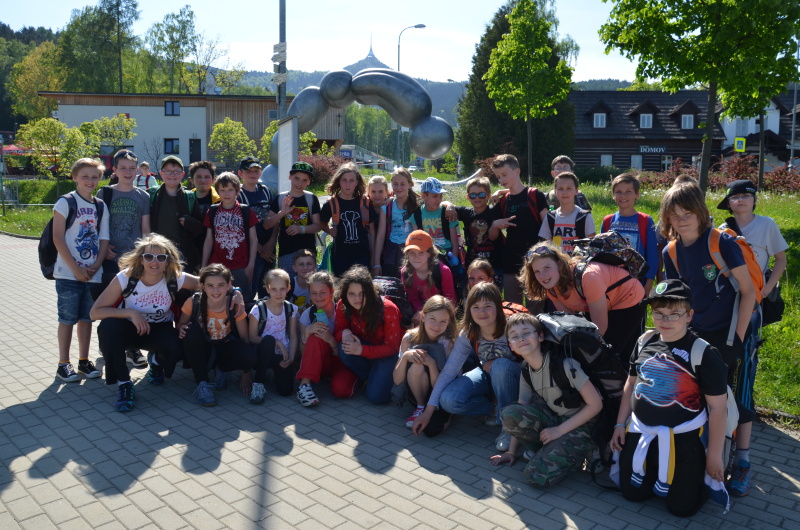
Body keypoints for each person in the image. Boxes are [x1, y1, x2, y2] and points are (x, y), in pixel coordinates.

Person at [659, 178, 757, 497]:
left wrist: (735, 340)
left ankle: (742, 462)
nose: (681, 220)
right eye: (674, 215)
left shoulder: (720, 242)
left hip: (733, 332)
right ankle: (708, 455)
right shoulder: (671, 251)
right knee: (705, 397)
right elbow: (675, 300)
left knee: (737, 397)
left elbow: (748, 292)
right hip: (697, 334)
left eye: (687, 213)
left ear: (700, 211)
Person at [611, 280, 729, 517]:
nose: (665, 321)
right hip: (642, 432)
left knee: (681, 508)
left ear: (689, 316)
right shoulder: (644, 341)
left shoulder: (703, 353)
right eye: (659, 313)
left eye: (674, 314)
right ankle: (657, 475)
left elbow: (718, 408)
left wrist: (714, 456)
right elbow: (631, 384)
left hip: (684, 440)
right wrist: (620, 424)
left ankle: (696, 480)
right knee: (632, 494)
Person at [90, 234, 222, 412]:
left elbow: (208, 283)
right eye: (149, 256)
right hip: (129, 328)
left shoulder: (174, 278)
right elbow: (95, 312)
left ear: (167, 261)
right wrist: (131, 312)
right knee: (108, 328)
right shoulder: (126, 277)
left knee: (176, 348)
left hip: (159, 328)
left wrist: (234, 291)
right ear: (141, 259)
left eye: (161, 257)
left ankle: (156, 362)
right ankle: (124, 384)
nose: (155, 262)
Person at [490, 313, 602, 487]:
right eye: (514, 336)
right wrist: (511, 452)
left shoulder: (565, 364)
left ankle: (587, 450)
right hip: (558, 418)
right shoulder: (526, 370)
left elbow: (596, 405)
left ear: (540, 336)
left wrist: (559, 431)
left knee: (535, 476)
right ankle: (550, 450)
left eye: (526, 332)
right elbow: (521, 407)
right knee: (509, 414)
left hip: (584, 425)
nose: (521, 338)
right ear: (511, 345)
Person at [412, 283, 520, 451]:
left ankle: (508, 428)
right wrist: (428, 411)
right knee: (448, 400)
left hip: (518, 379)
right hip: (487, 375)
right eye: (476, 307)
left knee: (500, 366)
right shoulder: (469, 332)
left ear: (498, 307)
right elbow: (449, 371)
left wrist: (497, 363)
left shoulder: (513, 326)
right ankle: (495, 408)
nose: (482, 312)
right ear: (469, 309)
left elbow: (532, 363)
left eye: (488, 306)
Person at [520, 242, 645, 362]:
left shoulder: (588, 277)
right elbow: (570, 323)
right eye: (537, 271)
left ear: (559, 264)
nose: (542, 275)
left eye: (547, 268)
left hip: (628, 297)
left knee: (610, 353)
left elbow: (600, 328)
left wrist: (584, 353)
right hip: (599, 302)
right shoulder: (550, 285)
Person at [52, 158, 110, 382]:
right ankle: (63, 364)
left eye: (95, 177)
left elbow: (103, 239)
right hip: (68, 273)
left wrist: (96, 265)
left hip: (92, 274)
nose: (90, 180)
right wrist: (75, 268)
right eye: (85, 176)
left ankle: (84, 361)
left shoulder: (100, 205)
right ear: (75, 177)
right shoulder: (65, 202)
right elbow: (58, 238)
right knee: (67, 318)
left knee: (87, 318)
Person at [95, 149, 152, 369]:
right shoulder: (105, 193)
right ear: (115, 169)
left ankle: (132, 348)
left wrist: (145, 254)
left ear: (137, 170)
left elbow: (145, 229)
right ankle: (108, 343)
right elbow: (96, 225)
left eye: (132, 168)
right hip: (110, 257)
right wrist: (103, 247)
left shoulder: (143, 196)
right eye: (123, 168)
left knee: (132, 302)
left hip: (133, 259)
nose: (128, 172)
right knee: (110, 302)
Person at [177, 264, 254, 407]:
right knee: (190, 330)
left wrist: (246, 373)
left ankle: (222, 369)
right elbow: (180, 324)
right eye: (210, 285)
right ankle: (202, 383)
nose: (216, 290)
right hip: (203, 350)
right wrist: (181, 328)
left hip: (225, 347)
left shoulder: (234, 304)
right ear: (203, 286)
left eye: (221, 285)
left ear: (229, 285)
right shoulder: (193, 302)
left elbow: (245, 339)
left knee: (250, 353)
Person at [334, 265, 403, 405]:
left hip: (388, 354)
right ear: (345, 293)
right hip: (365, 348)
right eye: (351, 293)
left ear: (370, 292)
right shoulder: (343, 304)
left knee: (376, 398)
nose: (357, 298)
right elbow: (338, 331)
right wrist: (345, 333)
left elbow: (393, 347)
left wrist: (362, 350)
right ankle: (370, 377)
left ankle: (378, 379)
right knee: (344, 347)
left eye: (362, 293)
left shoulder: (388, 308)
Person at [489, 154, 548, 305]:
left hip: (535, 261)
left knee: (536, 307)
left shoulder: (535, 195)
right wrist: (495, 225)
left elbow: (548, 227)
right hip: (511, 263)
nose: (501, 180)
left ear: (517, 171)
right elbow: (492, 236)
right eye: (498, 177)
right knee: (513, 309)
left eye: (504, 174)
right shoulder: (502, 201)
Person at [393, 296, 457, 427]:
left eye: (443, 321)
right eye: (432, 319)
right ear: (423, 317)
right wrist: (405, 357)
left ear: (448, 322)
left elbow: (445, 383)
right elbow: (397, 380)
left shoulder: (449, 343)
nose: (437, 326)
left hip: (440, 391)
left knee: (434, 428)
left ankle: (446, 413)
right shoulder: (409, 338)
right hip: (416, 390)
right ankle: (420, 407)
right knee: (417, 364)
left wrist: (432, 364)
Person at [295, 271, 356, 406]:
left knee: (341, 390)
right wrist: (306, 333)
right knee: (316, 335)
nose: (318, 297)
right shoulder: (307, 315)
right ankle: (304, 386)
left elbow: (349, 350)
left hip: (342, 360)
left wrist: (331, 341)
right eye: (314, 293)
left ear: (332, 292)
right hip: (321, 362)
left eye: (322, 292)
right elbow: (303, 354)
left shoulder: (343, 311)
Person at [201, 172, 258, 301]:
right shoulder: (213, 211)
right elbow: (209, 240)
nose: (227, 194)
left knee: (242, 301)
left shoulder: (245, 211)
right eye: (223, 190)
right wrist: (204, 265)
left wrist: (251, 266)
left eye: (230, 190)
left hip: (241, 266)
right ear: (218, 192)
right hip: (217, 266)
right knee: (217, 300)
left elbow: (254, 240)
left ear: (237, 191)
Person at [601, 172, 659, 293]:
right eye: (618, 192)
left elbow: (653, 255)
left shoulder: (645, 220)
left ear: (637, 194)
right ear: (613, 195)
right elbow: (601, 255)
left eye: (628, 191)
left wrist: (648, 284)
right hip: (612, 284)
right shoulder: (608, 221)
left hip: (638, 284)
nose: (623, 196)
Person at [262, 161, 322, 277]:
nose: (300, 183)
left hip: (307, 254)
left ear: (309, 182)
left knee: (308, 286)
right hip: (286, 253)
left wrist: (301, 229)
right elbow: (266, 224)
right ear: (290, 177)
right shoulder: (281, 198)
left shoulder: (311, 198)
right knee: (287, 285)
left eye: (304, 180)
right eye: (297, 178)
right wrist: (282, 213)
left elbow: (318, 226)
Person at [319, 163, 380, 277]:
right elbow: (321, 223)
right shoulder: (331, 204)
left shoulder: (365, 203)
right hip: (340, 256)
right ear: (339, 181)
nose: (348, 184)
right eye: (344, 180)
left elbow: (372, 231)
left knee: (361, 284)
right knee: (341, 285)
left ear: (357, 182)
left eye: (351, 180)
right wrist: (329, 230)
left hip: (362, 255)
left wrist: (372, 257)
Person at [247, 269, 298, 400]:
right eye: (274, 289)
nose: (278, 293)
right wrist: (278, 343)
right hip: (262, 353)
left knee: (286, 391)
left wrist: (291, 358)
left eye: (282, 289)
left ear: (288, 288)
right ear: (267, 289)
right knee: (269, 340)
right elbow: (252, 337)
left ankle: (277, 374)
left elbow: (293, 336)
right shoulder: (258, 309)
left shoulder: (291, 309)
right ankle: (258, 383)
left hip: (282, 355)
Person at [149, 155, 204, 272]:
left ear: (182, 174)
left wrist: (190, 223)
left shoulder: (189, 197)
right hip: (157, 250)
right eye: (168, 171)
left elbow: (201, 228)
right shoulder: (152, 195)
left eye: (176, 171)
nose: (172, 174)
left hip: (181, 252)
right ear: (161, 174)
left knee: (180, 282)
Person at [237, 156, 275, 298]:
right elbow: (239, 228)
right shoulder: (238, 194)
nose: (253, 174)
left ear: (261, 173)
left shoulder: (266, 191)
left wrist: (271, 243)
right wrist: (259, 248)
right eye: (249, 171)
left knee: (269, 288)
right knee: (250, 289)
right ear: (240, 173)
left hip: (269, 249)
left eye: (256, 171)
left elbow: (274, 219)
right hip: (250, 250)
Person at [449, 176, 503, 276]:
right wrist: (450, 206)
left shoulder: (494, 210)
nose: (477, 198)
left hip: (495, 265)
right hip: (472, 264)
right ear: (468, 197)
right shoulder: (466, 212)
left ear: (488, 195)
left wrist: (499, 192)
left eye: (481, 194)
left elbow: (516, 192)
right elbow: (444, 204)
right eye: (473, 195)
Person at [374, 167, 420, 277]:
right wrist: (376, 264)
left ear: (410, 185)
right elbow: (380, 237)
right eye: (395, 184)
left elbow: (416, 235)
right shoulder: (386, 208)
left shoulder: (415, 206)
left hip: (410, 252)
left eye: (402, 184)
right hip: (391, 253)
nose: (398, 188)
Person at [400, 230, 457, 313]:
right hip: (421, 313)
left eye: (421, 253)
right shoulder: (406, 272)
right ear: (407, 254)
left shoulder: (443, 271)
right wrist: (421, 314)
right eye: (412, 253)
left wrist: (434, 316)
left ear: (429, 254)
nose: (416, 257)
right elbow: (413, 299)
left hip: (443, 312)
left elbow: (450, 300)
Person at [538, 172, 595, 254]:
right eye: (560, 189)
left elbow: (592, 245)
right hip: (557, 260)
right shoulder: (550, 217)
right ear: (555, 191)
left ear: (576, 191)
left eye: (569, 188)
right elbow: (545, 244)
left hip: (578, 259)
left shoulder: (585, 216)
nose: (564, 192)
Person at [413, 177, 460, 254]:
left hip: (446, 252)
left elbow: (455, 243)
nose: (439, 200)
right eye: (435, 196)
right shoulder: (417, 214)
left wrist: (454, 258)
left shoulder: (447, 212)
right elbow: (416, 241)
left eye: (440, 196)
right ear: (424, 196)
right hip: (427, 252)